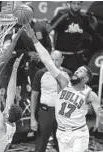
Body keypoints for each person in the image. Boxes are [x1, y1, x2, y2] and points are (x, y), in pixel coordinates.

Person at [25, 24, 103, 152]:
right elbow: (46, 60)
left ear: (86, 79)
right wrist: (33, 38)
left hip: (78, 133)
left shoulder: (90, 94)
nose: (77, 71)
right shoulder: (64, 82)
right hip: (62, 133)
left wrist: (100, 120)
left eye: (81, 71)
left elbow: (99, 111)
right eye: (77, 70)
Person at [31, 50, 71, 152]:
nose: (54, 62)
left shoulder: (68, 74)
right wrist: (32, 118)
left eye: (57, 60)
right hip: (45, 113)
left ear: (62, 59)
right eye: (52, 60)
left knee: (63, 145)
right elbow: (34, 95)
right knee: (40, 146)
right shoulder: (41, 73)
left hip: (62, 113)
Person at [49, 1, 102, 73]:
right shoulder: (63, 16)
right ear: (70, 4)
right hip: (62, 56)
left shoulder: (84, 18)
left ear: (81, 5)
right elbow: (48, 30)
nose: (76, 6)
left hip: (76, 57)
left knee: (75, 80)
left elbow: (93, 34)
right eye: (74, 3)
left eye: (78, 4)